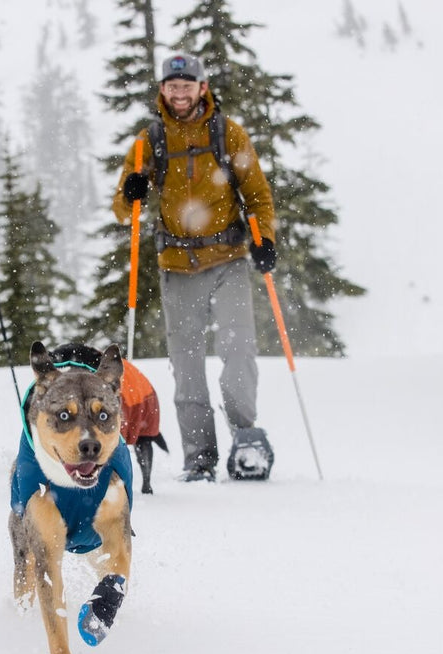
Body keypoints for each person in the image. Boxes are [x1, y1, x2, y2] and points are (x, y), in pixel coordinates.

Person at [111, 54, 279, 482]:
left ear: (203, 88)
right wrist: (131, 191)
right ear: (163, 90)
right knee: (186, 366)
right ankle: (199, 458)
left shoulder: (227, 134)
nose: (180, 92)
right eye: (173, 85)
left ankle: (246, 438)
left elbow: (257, 194)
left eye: (188, 85)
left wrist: (266, 241)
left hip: (227, 261)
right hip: (177, 267)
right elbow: (121, 211)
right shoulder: (149, 141)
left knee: (238, 351)